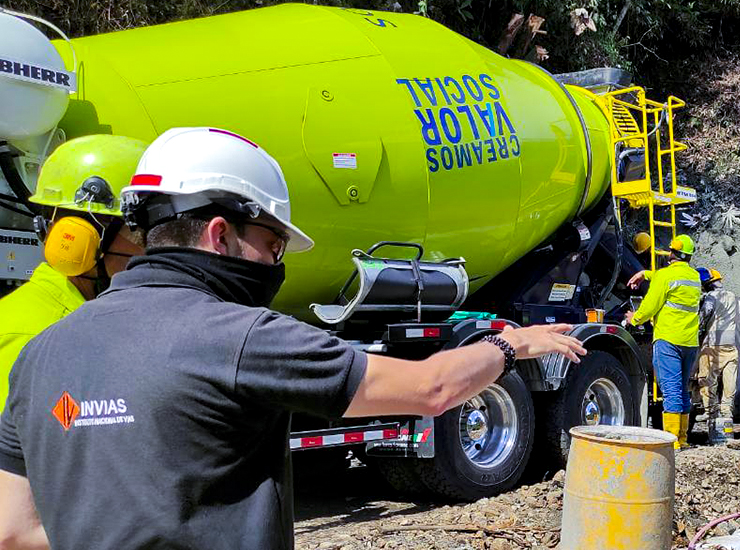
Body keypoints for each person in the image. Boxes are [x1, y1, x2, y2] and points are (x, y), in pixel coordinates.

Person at [0, 127, 587, 550]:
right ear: (220, 233)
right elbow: (431, 388)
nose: (276, 264)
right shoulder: (243, 338)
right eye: (273, 244)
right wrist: (512, 345)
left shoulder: (40, 354)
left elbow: (14, 530)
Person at [0, 135, 148, 407]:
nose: (155, 248)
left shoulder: (87, 320)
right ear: (80, 236)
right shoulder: (32, 337)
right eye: (142, 233)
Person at [625, 234, 701, 449]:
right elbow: (667, 279)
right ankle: (683, 439)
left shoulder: (665, 276)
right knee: (683, 389)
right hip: (689, 342)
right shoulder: (693, 277)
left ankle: (672, 442)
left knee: (671, 391)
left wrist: (634, 318)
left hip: (668, 340)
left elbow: (650, 305)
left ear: (671, 253)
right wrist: (647, 274)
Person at [696, 268, 740, 444]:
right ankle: (726, 426)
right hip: (730, 348)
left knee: (707, 382)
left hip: (712, 348)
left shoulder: (709, 298)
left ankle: (711, 420)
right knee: (728, 388)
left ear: (705, 284)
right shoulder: (733, 297)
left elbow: (703, 318)